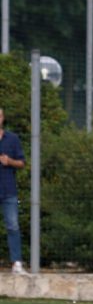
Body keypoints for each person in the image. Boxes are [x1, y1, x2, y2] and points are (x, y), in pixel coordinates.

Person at [0, 108, 26, 274]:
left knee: (13, 226)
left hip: (8, 190)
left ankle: (16, 263)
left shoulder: (12, 138)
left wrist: (9, 161)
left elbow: (22, 163)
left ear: (3, 118)